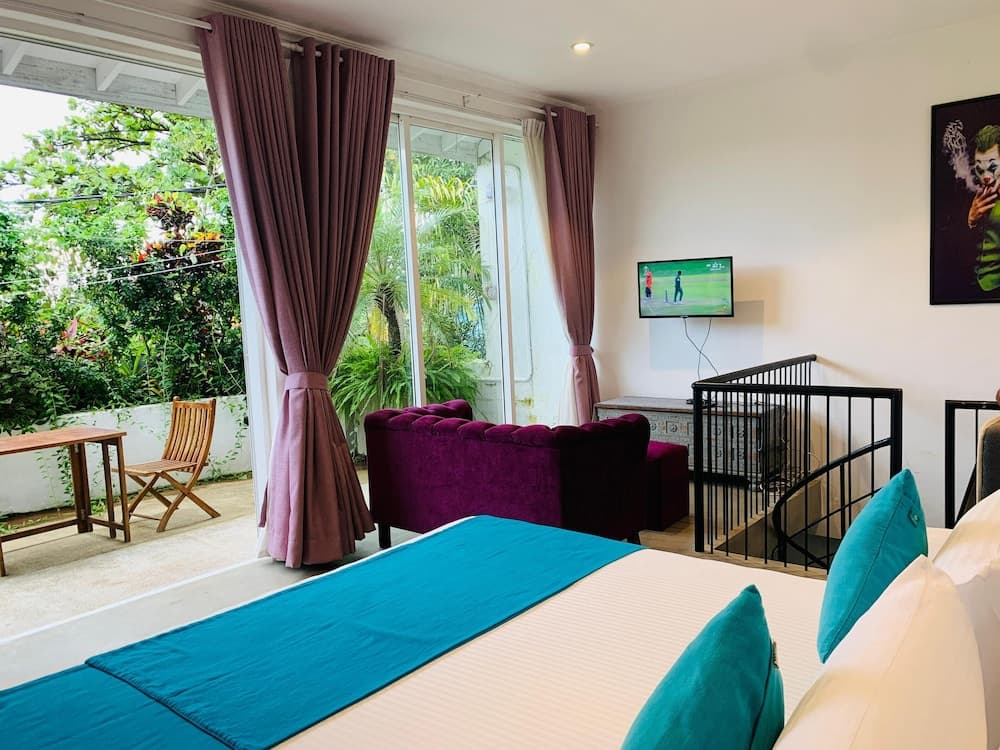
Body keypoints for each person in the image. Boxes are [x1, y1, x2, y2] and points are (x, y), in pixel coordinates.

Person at [966, 126, 1000, 293]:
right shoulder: (970, 194)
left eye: (993, 168)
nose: (986, 177)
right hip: (970, 288)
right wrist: (971, 221)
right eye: (980, 170)